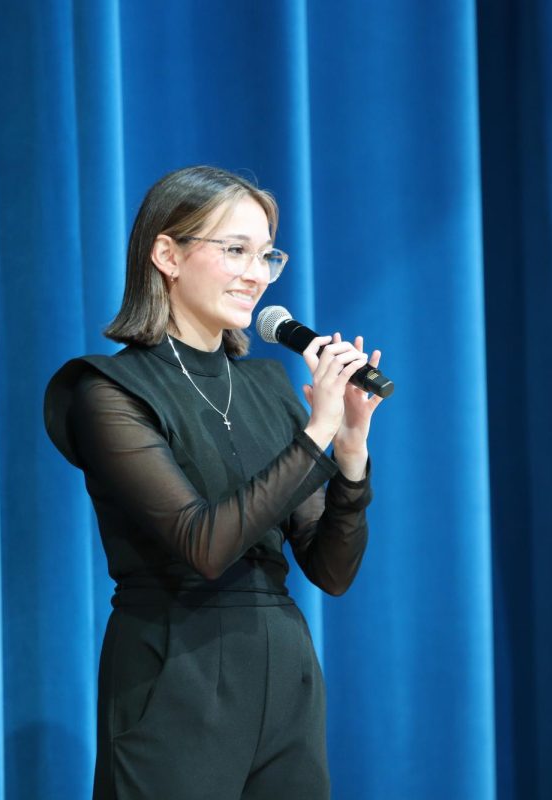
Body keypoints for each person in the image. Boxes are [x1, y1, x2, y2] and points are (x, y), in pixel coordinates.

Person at [45, 165, 383, 800]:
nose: (256, 274)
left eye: (266, 255)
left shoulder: (265, 385)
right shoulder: (109, 390)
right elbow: (202, 545)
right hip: (176, 670)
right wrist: (313, 435)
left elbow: (332, 570)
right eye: (235, 251)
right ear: (167, 254)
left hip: (284, 672)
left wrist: (350, 451)